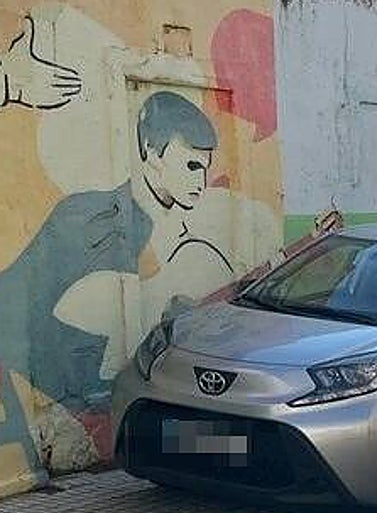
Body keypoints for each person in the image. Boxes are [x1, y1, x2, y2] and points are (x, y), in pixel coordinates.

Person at [0, 90, 226, 460]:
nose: (202, 180)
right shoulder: (90, 219)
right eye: (191, 166)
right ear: (152, 152)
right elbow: (34, 316)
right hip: (53, 381)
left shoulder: (177, 228)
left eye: (206, 167)